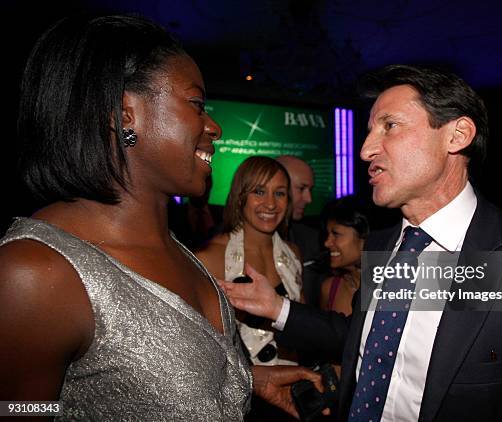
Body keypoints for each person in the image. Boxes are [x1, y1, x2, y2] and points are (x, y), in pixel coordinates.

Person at [220, 65, 502, 421]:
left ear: (457, 136)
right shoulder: (386, 245)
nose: (366, 150)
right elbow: (364, 335)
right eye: (370, 131)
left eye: (389, 126)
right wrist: (277, 308)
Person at [0, 15, 322, 420]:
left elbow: (142, 376)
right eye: (197, 105)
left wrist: (247, 378)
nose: (215, 127)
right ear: (125, 114)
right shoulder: (35, 272)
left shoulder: (183, 254)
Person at [195, 156, 303, 366]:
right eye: (259, 192)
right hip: (242, 387)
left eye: (279, 193)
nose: (271, 204)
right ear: (240, 196)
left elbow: (303, 324)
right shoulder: (209, 258)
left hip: (293, 378)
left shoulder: (293, 253)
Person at [276, 155, 326, 306]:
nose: (309, 198)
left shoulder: (314, 239)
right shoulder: (229, 242)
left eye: (310, 190)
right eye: (301, 188)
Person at [319, 196, 369, 316]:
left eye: (336, 234)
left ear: (363, 237)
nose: (327, 243)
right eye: (327, 234)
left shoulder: (391, 288)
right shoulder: (330, 289)